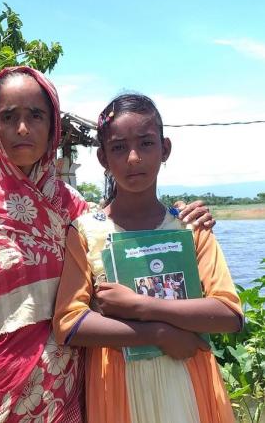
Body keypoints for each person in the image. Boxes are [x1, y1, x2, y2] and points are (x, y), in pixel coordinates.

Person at [0, 68, 216, 423]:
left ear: (52, 126)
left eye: (36, 116)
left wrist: (183, 216)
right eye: (9, 116)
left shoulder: (72, 210)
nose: (22, 128)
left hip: (66, 396)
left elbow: (126, 228)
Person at [53, 93, 243, 423]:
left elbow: (228, 313)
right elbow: (69, 323)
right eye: (118, 148)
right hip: (117, 387)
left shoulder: (189, 228)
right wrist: (156, 333)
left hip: (189, 381)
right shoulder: (86, 233)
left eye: (145, 143)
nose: (134, 158)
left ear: (164, 148)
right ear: (102, 157)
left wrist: (143, 306)